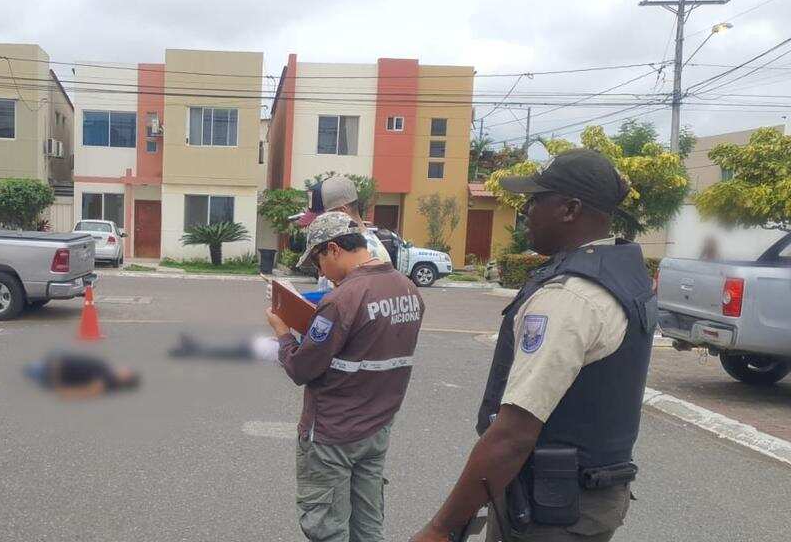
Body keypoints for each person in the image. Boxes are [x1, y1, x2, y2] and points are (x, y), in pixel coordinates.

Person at [411, 149, 656, 542]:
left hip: (554, 514)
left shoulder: (570, 297)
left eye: (536, 199)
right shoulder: (620, 271)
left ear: (570, 209)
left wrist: (442, 528)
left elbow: (514, 434)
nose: (525, 209)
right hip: (585, 497)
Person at [265, 211, 425, 542]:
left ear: (334, 249)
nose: (319, 271)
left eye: (319, 261)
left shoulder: (341, 301)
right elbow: (369, 346)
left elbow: (301, 368)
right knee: (368, 524)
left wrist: (283, 333)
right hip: (377, 427)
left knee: (327, 527)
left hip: (333, 433)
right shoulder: (408, 289)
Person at [321, 176, 392, 266]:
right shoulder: (354, 246)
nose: (323, 222)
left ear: (341, 212)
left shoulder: (364, 252)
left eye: (326, 216)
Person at [24, 351, 140, 399]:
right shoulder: (108, 370)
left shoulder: (105, 383)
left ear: (125, 379)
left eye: (126, 372)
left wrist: (57, 382)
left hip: (53, 372)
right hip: (58, 364)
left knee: (29, 370)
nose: (123, 368)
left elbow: (81, 392)